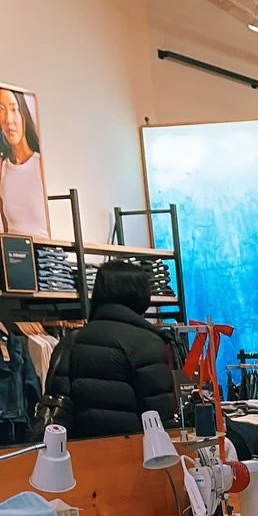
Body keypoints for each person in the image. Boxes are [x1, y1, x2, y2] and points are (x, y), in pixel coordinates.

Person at [46, 260, 177, 438]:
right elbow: (160, 415)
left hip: (77, 455)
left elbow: (58, 400)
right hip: (135, 454)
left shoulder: (70, 341)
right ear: (142, 295)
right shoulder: (146, 343)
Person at [0, 87, 49, 238]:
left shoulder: (39, 164)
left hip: (44, 254)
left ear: (23, 114)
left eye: (14, 109)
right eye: (1, 110)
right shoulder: (3, 168)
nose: (8, 120)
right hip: (13, 254)